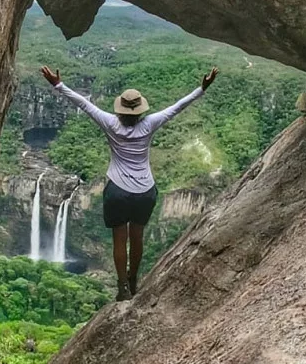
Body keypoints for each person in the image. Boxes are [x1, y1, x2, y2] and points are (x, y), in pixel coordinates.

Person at [41, 65, 219, 301]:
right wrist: (202, 88)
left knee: (119, 240)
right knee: (137, 237)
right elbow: (177, 107)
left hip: (117, 192)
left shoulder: (110, 123)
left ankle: (122, 286)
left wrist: (57, 84)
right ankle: (134, 278)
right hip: (145, 192)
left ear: (121, 110)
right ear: (140, 111)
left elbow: (83, 104)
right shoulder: (149, 124)